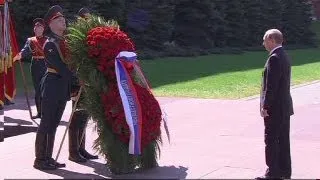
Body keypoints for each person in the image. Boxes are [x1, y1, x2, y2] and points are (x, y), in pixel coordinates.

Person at [33, 5, 73, 170]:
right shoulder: (50, 44)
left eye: (63, 17)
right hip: (52, 86)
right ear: (50, 24)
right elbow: (62, 69)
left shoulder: (65, 41)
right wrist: (79, 79)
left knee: (54, 123)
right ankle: (40, 159)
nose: (62, 20)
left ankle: (49, 158)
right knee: (46, 123)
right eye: (58, 19)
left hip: (62, 88)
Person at [256, 29, 294, 180]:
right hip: (284, 107)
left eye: (264, 40)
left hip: (276, 108)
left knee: (271, 139)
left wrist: (265, 106)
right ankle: (284, 171)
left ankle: (273, 173)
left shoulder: (274, 58)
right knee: (283, 140)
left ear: (271, 39)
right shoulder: (283, 55)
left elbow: (271, 86)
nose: (263, 43)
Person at [68, 7, 98, 163]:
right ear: (79, 20)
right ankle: (73, 152)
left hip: (88, 82)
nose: (88, 22)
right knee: (76, 117)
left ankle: (81, 148)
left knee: (84, 116)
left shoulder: (90, 37)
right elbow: (70, 63)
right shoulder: (73, 37)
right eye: (85, 19)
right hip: (77, 83)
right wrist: (76, 81)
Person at [14, 18, 47, 119]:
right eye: (36, 28)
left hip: (46, 65)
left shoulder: (48, 40)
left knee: (45, 89)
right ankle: (39, 113)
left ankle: (46, 113)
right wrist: (20, 55)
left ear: (43, 29)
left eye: (40, 27)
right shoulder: (30, 40)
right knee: (37, 89)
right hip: (35, 65)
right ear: (34, 29)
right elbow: (25, 50)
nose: (38, 29)